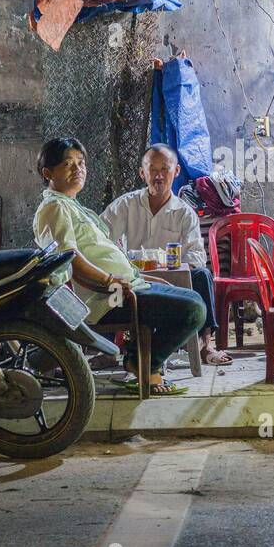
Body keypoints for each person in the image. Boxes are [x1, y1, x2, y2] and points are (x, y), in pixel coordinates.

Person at [32, 137, 205, 396]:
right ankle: (145, 364)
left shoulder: (72, 207)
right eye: (68, 164)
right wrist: (109, 281)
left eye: (81, 163)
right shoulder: (54, 207)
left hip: (128, 287)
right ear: (48, 173)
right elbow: (68, 258)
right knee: (192, 309)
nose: (78, 169)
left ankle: (140, 358)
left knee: (194, 296)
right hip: (107, 298)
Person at [102, 143, 233, 366]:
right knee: (108, 281)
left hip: (173, 281)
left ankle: (205, 344)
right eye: (152, 169)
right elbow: (100, 237)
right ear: (142, 172)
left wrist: (173, 271)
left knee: (202, 275)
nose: (159, 176)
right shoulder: (126, 205)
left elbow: (196, 256)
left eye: (165, 169)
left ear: (177, 171)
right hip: (133, 280)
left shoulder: (185, 213)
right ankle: (106, 349)